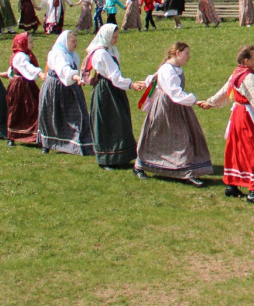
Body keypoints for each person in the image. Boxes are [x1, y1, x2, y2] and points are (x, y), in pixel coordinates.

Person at [204, 45, 254, 205]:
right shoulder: (249, 77)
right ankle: (253, 191)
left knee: (237, 150)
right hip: (247, 117)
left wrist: (211, 102)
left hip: (238, 115)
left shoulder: (237, 72)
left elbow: (225, 90)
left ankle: (231, 184)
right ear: (246, 60)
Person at [135, 41, 214, 185]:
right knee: (167, 136)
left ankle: (185, 169)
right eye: (186, 54)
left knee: (183, 136)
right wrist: (194, 100)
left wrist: (147, 81)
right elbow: (174, 92)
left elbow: (155, 78)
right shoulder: (168, 69)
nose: (188, 57)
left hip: (177, 106)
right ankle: (142, 165)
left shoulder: (175, 68)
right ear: (177, 53)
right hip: (166, 106)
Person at [84, 23, 146, 169]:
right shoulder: (102, 53)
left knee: (119, 121)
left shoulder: (109, 50)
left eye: (117, 37)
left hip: (112, 89)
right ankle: (107, 158)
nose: (115, 40)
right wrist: (131, 85)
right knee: (108, 123)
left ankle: (120, 155)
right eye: (113, 37)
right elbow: (115, 77)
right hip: (106, 91)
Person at [39, 30, 93, 156]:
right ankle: (47, 143)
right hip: (56, 87)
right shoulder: (58, 54)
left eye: (76, 41)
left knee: (76, 116)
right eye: (72, 41)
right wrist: (75, 78)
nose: (75, 44)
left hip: (70, 88)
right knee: (53, 116)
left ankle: (75, 143)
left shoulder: (72, 54)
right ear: (65, 41)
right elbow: (63, 69)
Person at [5, 32, 44, 147]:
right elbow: (27, 67)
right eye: (30, 42)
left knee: (32, 108)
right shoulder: (21, 56)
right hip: (20, 85)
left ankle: (32, 134)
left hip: (27, 84)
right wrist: (40, 73)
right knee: (19, 109)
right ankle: (13, 135)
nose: (32, 45)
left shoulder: (24, 54)